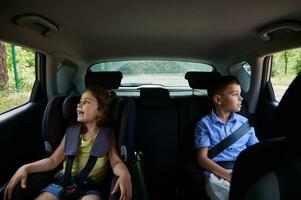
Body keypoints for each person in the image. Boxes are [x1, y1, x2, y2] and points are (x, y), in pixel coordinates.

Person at [4, 86, 132, 200]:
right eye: (79, 102)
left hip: (91, 187)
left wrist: (124, 173)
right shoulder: (71, 133)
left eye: (86, 102)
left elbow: (116, 162)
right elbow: (53, 161)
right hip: (62, 182)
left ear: (100, 111)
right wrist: (26, 168)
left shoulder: (107, 136)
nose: (79, 105)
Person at [194, 75, 259, 200]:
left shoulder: (245, 123)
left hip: (243, 169)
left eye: (240, 94)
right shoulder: (204, 124)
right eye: (235, 94)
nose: (241, 98)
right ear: (218, 99)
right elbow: (202, 158)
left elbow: (256, 150)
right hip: (217, 172)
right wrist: (227, 175)